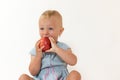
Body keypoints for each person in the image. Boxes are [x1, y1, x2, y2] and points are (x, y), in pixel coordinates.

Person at [19, 10, 81, 80]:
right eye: (42, 28)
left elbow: (73, 61)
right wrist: (38, 56)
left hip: (61, 78)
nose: (45, 32)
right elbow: (33, 72)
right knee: (23, 77)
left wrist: (57, 49)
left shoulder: (63, 47)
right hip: (41, 78)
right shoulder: (37, 49)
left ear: (60, 31)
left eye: (50, 28)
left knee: (75, 74)